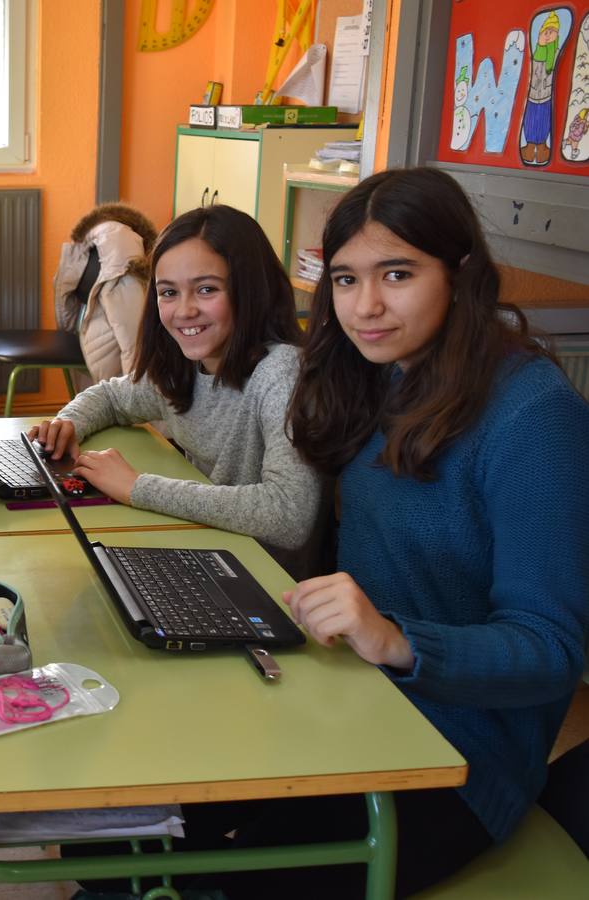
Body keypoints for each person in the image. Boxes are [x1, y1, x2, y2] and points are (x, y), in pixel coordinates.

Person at [187, 167, 589, 898]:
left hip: (457, 756)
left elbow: (551, 649)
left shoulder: (534, 416)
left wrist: (398, 639)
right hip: (344, 695)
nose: (365, 306)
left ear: (460, 275)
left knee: (230, 879)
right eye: (345, 280)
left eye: (396, 274)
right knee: (163, 811)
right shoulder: (373, 374)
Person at [31, 204, 327, 578]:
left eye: (206, 289)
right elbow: (112, 397)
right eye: (168, 292)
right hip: (210, 550)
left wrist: (138, 487)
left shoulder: (282, 373)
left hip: (268, 580)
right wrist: (69, 422)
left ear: (251, 291)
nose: (184, 310)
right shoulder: (186, 366)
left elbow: (287, 514)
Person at [53, 203, 158, 382]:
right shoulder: (125, 249)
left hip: (88, 340)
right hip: (111, 360)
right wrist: (134, 390)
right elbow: (132, 337)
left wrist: (68, 330)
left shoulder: (90, 238)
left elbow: (63, 299)